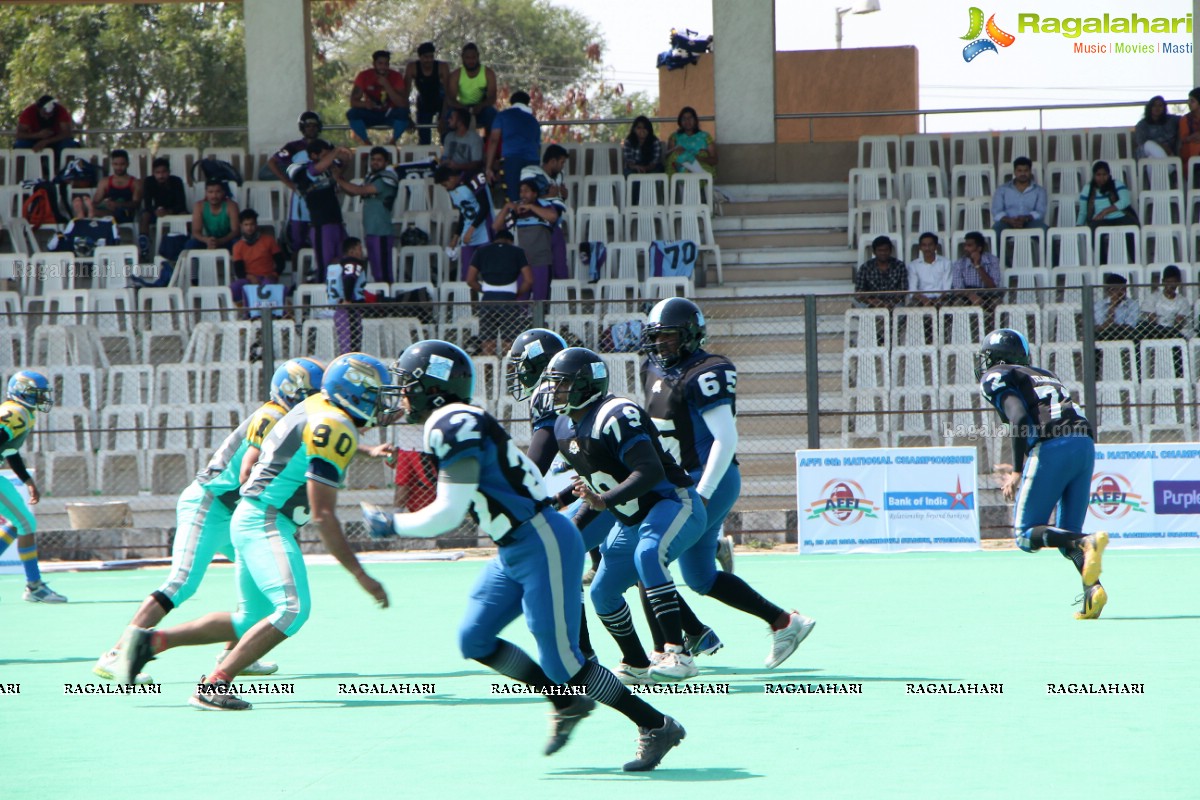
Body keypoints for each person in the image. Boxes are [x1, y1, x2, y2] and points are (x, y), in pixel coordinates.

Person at [362, 340, 685, 771]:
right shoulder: (457, 419)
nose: (401, 394)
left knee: (563, 662)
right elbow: (522, 474)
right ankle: (566, 703)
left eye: (407, 384)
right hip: (516, 545)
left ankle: (656, 723)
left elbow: (448, 514)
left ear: (431, 388)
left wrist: (391, 524)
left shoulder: (451, 424)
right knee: (474, 639)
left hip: (540, 542)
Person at [114, 353, 393, 708]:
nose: (384, 401)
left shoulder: (321, 407)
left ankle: (151, 642)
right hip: (266, 518)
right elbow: (323, 515)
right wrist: (361, 575)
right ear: (354, 394)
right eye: (376, 393)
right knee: (293, 610)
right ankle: (214, 684)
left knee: (249, 618)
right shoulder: (333, 424)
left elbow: (316, 440)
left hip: (252, 515)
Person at [93, 359, 325, 683]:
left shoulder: (292, 420)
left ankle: (234, 656)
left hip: (236, 514)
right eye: (311, 395)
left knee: (258, 596)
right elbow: (248, 471)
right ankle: (118, 654)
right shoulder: (271, 415)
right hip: (210, 504)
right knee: (181, 582)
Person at [640, 299, 816, 663]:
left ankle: (669, 652)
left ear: (690, 336)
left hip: (707, 480)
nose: (661, 346)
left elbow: (726, 438)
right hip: (680, 482)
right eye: (657, 339)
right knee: (701, 578)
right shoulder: (652, 369)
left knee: (647, 560)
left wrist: (702, 495)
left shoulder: (706, 371)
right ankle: (785, 623)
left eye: (670, 338)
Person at [977, 329, 1108, 620]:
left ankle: (1088, 541)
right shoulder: (1041, 373)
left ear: (997, 357)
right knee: (1066, 536)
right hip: (1083, 444)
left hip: (1053, 446)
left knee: (1025, 535)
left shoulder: (996, 375)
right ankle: (1094, 591)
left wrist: (1016, 470)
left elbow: (1020, 418)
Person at [0, 372, 66, 603]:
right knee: (26, 523)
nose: (41, 398)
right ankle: (34, 587)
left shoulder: (19, 412)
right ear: (23, 391)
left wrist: (27, 481)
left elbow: (10, 451)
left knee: (19, 521)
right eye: (37, 394)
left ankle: (34, 586)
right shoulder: (16, 412)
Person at [267, 111, 326, 266]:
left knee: (320, 243)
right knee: (297, 245)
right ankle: (295, 279)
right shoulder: (293, 147)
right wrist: (289, 183)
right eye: (308, 126)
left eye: (314, 125)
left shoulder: (326, 146)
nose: (311, 129)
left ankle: (319, 277)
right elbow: (272, 162)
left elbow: (337, 166)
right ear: (302, 128)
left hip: (320, 200)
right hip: (299, 203)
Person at [335, 146, 399, 283]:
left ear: (386, 162)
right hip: (371, 231)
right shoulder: (372, 177)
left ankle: (387, 302)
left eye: (379, 160)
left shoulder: (386, 179)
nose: (375, 162)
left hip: (381, 231)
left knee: (383, 273)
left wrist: (338, 180)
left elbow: (359, 190)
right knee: (376, 271)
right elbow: (353, 192)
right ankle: (381, 302)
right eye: (373, 159)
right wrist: (339, 179)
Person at [493, 178, 564, 301]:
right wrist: (507, 207)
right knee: (520, 300)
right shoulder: (517, 210)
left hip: (541, 261)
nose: (523, 194)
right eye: (521, 191)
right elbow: (496, 227)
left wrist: (531, 207)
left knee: (540, 300)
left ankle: (539, 321)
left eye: (526, 191)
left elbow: (553, 217)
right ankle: (522, 320)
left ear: (535, 193)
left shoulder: (544, 205)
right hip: (522, 263)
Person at [287, 140, 351, 274]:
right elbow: (316, 169)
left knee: (344, 262)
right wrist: (336, 151)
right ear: (314, 156)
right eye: (325, 154)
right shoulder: (305, 172)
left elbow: (338, 174)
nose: (330, 158)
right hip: (322, 226)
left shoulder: (328, 170)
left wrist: (345, 160)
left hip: (337, 223)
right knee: (325, 267)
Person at [466, 228, 533, 355]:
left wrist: (485, 290)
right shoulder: (517, 252)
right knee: (509, 341)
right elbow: (528, 280)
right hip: (509, 300)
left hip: (488, 299)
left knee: (487, 340)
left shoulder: (481, 251)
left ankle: (488, 371)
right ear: (510, 241)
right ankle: (508, 372)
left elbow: (470, 280)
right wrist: (516, 294)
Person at [435, 164, 494, 278]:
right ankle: (469, 295)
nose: (446, 188)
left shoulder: (472, 180)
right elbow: (463, 213)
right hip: (468, 234)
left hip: (483, 231)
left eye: (445, 184)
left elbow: (484, 207)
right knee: (467, 273)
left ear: (451, 178)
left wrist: (471, 230)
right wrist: (455, 237)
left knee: (487, 271)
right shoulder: (452, 190)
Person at [484, 91, 542, 203]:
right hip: (533, 161)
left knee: (514, 197)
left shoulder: (502, 116)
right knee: (531, 197)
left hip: (512, 161)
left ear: (511, 102)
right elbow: (538, 147)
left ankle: (516, 218)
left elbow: (494, 140)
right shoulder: (534, 121)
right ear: (527, 103)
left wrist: (488, 167)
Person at [1076, 160, 1137, 264]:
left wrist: (1105, 211)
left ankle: (1135, 262)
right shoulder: (1088, 188)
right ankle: (1102, 266)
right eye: (1098, 175)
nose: (1102, 178)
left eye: (1105, 174)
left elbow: (1125, 201)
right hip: (1100, 221)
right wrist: (1078, 225)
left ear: (1109, 175)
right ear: (1094, 175)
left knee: (1131, 229)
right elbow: (1083, 211)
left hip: (1120, 217)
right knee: (1094, 232)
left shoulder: (1116, 183)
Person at [346, 50, 412, 145]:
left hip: (390, 113)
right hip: (371, 112)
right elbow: (353, 102)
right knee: (352, 113)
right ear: (374, 64)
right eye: (380, 63)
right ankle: (367, 142)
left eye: (386, 64)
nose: (383, 67)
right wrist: (365, 104)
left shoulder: (396, 76)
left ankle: (392, 142)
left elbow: (403, 103)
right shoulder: (364, 76)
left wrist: (387, 85)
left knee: (404, 113)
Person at [230, 209, 286, 308]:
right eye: (246, 225)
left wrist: (274, 274)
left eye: (251, 224)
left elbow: (281, 262)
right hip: (248, 279)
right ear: (241, 226)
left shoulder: (269, 240)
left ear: (256, 225)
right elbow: (239, 270)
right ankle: (245, 313)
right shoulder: (237, 246)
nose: (249, 228)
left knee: (268, 285)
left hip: (267, 277)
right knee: (234, 287)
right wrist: (250, 277)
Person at [992, 156, 1048, 249]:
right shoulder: (1002, 189)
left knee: (1046, 232)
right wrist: (1009, 220)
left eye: (1026, 170)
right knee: (995, 233)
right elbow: (996, 211)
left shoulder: (1039, 190)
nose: (1023, 173)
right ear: (1014, 172)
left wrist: (1025, 218)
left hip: (1030, 222)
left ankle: (1050, 263)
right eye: (1019, 171)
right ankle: (1000, 263)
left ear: (1030, 171)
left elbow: (1040, 211)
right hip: (1007, 222)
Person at [140, 156, 189, 259]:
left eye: (164, 172)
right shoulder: (149, 181)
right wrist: (155, 211)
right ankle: (144, 245)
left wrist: (168, 211)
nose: (161, 175)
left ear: (169, 172)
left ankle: (186, 245)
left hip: (173, 211)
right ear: (153, 173)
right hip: (157, 212)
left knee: (185, 215)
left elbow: (181, 204)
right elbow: (147, 204)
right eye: (157, 172)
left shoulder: (176, 181)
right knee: (145, 215)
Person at [326, 237, 369, 354]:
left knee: (344, 345)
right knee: (352, 347)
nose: (362, 252)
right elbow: (349, 278)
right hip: (350, 310)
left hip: (337, 309)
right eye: (359, 248)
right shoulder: (352, 263)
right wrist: (348, 299)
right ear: (352, 251)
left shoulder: (334, 266)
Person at [446, 43, 498, 133]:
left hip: (482, 108)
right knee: (449, 115)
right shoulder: (456, 75)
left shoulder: (488, 73)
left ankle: (489, 142)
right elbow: (451, 99)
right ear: (462, 58)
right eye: (467, 58)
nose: (471, 61)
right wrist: (463, 108)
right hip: (462, 108)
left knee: (492, 113)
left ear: (478, 57)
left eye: (473, 57)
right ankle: (450, 143)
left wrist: (481, 106)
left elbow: (492, 98)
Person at [405, 42, 450, 145]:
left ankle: (445, 156)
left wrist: (443, 117)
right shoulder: (412, 67)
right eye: (426, 57)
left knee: (445, 134)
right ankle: (425, 158)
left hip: (441, 100)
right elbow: (405, 93)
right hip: (424, 102)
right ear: (420, 57)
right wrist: (407, 116)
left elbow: (449, 94)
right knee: (424, 137)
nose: (429, 60)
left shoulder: (442, 66)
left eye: (431, 57)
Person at [12, 95, 80, 163]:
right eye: (44, 114)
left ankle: (65, 171)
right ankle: (19, 173)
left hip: (56, 140)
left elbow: (67, 133)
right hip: (34, 140)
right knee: (20, 145)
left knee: (68, 145)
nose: (47, 117)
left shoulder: (61, 110)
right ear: (38, 109)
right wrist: (38, 135)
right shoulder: (29, 112)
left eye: (50, 114)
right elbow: (19, 134)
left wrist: (46, 141)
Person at [950, 231, 1003, 311]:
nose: (965, 248)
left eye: (969, 246)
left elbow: (993, 286)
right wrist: (971, 295)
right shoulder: (959, 263)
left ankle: (995, 324)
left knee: (997, 303)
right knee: (957, 303)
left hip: (988, 295)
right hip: (966, 296)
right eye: (965, 245)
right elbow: (958, 288)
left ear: (979, 248)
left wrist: (978, 266)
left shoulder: (993, 260)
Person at [185, 179, 240, 253]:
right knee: (191, 244)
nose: (214, 196)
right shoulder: (199, 206)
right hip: (208, 240)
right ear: (206, 193)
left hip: (226, 240)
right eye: (210, 192)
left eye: (218, 192)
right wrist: (207, 240)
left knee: (237, 244)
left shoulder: (231, 206)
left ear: (223, 192)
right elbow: (196, 232)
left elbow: (235, 231)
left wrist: (220, 241)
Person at [854, 235, 909, 310]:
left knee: (901, 310)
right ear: (874, 252)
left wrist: (889, 303)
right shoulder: (865, 267)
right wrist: (872, 301)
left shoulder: (899, 266)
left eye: (886, 250)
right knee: (856, 304)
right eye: (880, 250)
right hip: (872, 305)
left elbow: (903, 290)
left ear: (890, 251)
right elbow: (859, 292)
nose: (883, 253)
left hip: (894, 305)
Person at [92, 149, 142, 225]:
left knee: (98, 213)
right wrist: (105, 204)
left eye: (122, 164)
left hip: (125, 214)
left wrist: (118, 205)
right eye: (116, 164)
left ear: (128, 164)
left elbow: (136, 204)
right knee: (93, 210)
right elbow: (95, 202)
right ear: (112, 164)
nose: (119, 167)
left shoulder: (135, 182)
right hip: (106, 212)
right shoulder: (105, 182)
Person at [664, 106, 716, 178]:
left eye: (690, 118)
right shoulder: (674, 137)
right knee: (675, 157)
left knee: (701, 172)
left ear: (695, 120)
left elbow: (714, 160)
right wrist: (675, 148)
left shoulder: (705, 136)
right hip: (680, 167)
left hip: (701, 165)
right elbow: (668, 158)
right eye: (684, 119)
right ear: (680, 121)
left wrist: (698, 158)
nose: (687, 121)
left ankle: (699, 175)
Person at [1143, 264, 1191, 337]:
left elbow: (1179, 323)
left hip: (1174, 332)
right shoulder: (1153, 297)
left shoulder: (1183, 301)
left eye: (1173, 282)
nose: (1170, 285)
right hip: (1155, 331)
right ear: (1162, 282)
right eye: (1168, 282)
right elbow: (1151, 319)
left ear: (1178, 282)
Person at [908, 232, 953, 306]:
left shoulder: (946, 263)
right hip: (921, 300)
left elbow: (947, 289)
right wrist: (924, 299)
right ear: (920, 247)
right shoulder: (913, 265)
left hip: (942, 299)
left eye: (930, 245)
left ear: (936, 246)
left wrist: (938, 301)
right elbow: (913, 290)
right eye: (924, 245)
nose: (927, 248)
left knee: (947, 304)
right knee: (910, 308)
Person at [1093, 272, 1141, 341]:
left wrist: (1111, 326)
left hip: (1126, 335)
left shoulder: (1133, 304)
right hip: (1105, 335)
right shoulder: (1099, 305)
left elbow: (1130, 326)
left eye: (1123, 289)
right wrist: (1112, 307)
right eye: (1116, 289)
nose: (1121, 292)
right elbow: (1100, 326)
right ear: (1108, 291)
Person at [440, 107, 485, 175]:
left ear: (460, 122)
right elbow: (445, 156)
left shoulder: (475, 139)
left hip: (469, 175)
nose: (449, 120)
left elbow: (476, 164)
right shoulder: (449, 137)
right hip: (450, 174)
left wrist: (457, 167)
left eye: (451, 118)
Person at [1178, 87, 1200, 166]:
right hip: (1190, 157)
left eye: (1192, 101)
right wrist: (1193, 137)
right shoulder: (1185, 119)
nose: (1189, 103)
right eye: (1189, 101)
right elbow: (1183, 139)